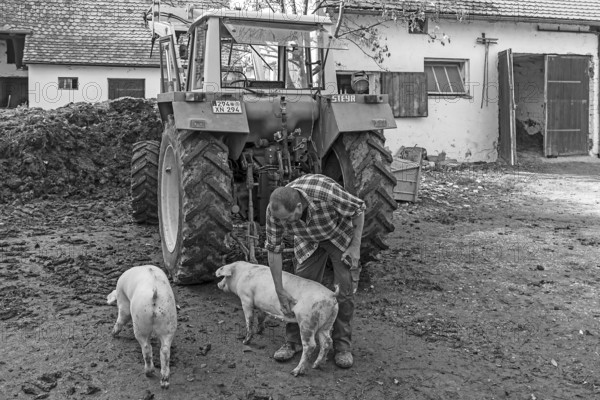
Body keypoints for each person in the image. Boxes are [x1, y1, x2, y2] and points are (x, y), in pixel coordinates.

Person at [264, 173, 365, 369]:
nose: (283, 225)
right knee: (297, 294)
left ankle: (342, 346)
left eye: (287, 220)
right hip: (308, 240)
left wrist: (355, 246)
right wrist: (279, 290)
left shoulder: (326, 194)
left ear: (299, 208)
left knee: (343, 292)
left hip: (338, 235)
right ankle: (293, 342)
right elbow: (273, 250)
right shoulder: (274, 212)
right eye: (280, 220)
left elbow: (359, 209)